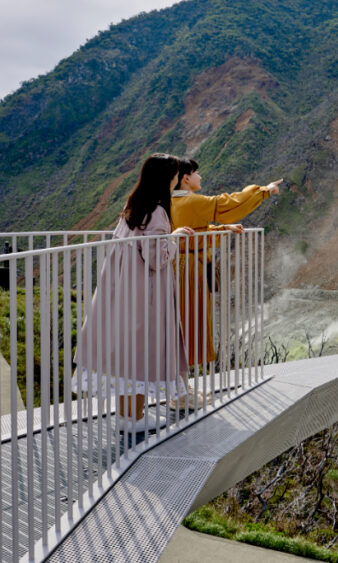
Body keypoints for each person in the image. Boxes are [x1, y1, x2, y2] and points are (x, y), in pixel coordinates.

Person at [73, 153, 194, 433]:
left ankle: (128, 417)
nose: (177, 178)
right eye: (175, 174)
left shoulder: (133, 206)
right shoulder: (159, 213)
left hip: (120, 290)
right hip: (145, 295)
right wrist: (174, 240)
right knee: (143, 354)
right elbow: (157, 260)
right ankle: (135, 419)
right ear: (167, 178)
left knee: (126, 353)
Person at [170, 157, 281, 393]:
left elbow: (194, 231)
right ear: (186, 179)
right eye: (197, 173)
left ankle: (179, 384)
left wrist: (222, 229)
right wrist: (264, 191)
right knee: (189, 325)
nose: (201, 177)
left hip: (175, 267)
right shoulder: (191, 201)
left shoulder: (170, 203)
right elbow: (228, 205)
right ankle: (180, 388)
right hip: (190, 271)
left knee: (178, 324)